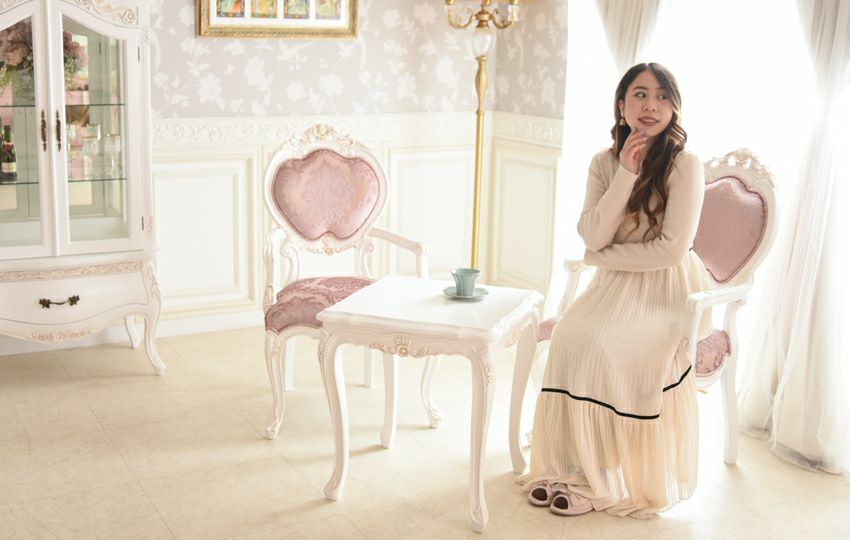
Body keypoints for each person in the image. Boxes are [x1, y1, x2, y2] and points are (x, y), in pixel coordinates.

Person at [520, 62, 713, 518]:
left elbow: (670, 251)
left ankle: (600, 479)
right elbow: (593, 235)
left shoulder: (686, 165)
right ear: (622, 104)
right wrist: (626, 172)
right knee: (572, 337)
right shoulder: (603, 163)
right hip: (613, 288)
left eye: (662, 96)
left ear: (674, 108)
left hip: (668, 291)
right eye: (640, 94)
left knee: (608, 346)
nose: (651, 105)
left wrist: (602, 258)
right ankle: (571, 465)